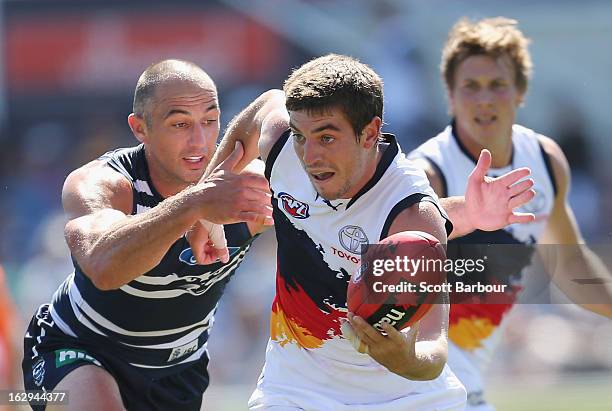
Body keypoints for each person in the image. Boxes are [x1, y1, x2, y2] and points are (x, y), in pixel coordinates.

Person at [201, 54, 538, 410]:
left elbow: (434, 346)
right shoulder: (283, 144)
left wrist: (407, 360)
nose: (310, 155)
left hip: (409, 398)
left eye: (327, 137)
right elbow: (264, 107)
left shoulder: (412, 215)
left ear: (370, 133)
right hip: (296, 392)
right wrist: (204, 204)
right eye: (301, 136)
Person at [21, 59, 273, 411]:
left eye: (210, 121)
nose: (199, 141)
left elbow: (278, 102)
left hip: (178, 370)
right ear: (140, 128)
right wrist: (195, 205)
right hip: (78, 348)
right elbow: (103, 266)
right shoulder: (106, 182)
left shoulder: (242, 187)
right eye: (180, 124)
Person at [408, 17, 612, 410]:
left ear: (520, 92)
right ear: (450, 96)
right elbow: (389, 288)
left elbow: (570, 267)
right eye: (470, 86)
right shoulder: (427, 174)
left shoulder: (546, 161)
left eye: (497, 85)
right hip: (420, 379)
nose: (484, 98)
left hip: (465, 376)